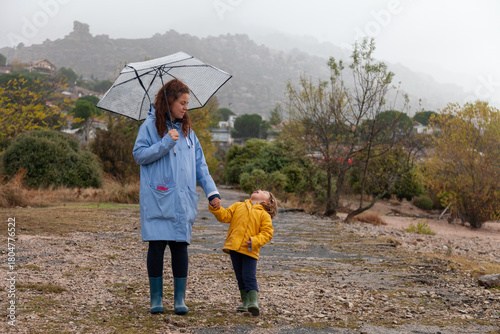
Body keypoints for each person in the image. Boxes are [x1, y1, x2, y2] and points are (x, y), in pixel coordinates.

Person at [133, 78, 222, 315]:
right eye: (182, 102)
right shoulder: (150, 126)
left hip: (183, 199)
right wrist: (164, 143)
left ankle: (180, 299)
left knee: (180, 247)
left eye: (187, 103)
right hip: (158, 198)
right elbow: (139, 155)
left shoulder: (188, 131)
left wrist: (212, 192)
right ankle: (156, 299)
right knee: (157, 245)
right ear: (169, 101)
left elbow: (200, 165)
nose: (185, 108)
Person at [209, 189, 277, 316]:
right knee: (240, 276)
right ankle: (245, 302)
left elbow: (267, 233)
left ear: (266, 201)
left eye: (264, 191)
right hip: (234, 248)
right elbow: (225, 216)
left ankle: (254, 302)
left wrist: (255, 241)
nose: (259, 190)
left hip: (250, 250)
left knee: (249, 275)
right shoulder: (238, 206)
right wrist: (217, 208)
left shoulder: (264, 215)